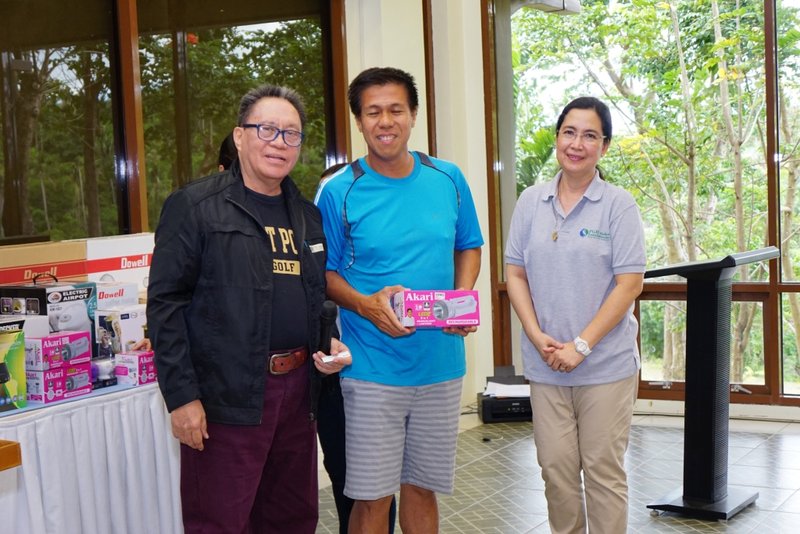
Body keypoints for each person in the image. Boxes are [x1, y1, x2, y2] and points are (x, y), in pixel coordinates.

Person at [146, 83, 352, 534]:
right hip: (226, 398)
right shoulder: (195, 207)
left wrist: (329, 342)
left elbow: (312, 297)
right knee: (221, 522)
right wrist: (182, 398)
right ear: (240, 137)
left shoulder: (307, 216)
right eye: (266, 129)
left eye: (291, 134)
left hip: (298, 397)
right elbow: (165, 306)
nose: (279, 142)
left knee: (292, 520)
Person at [315, 67, 484, 534]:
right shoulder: (338, 190)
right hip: (371, 367)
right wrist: (366, 305)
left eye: (396, 110)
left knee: (423, 489)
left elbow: (469, 245)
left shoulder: (448, 178)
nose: (385, 121)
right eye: (373, 112)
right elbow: (323, 274)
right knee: (372, 498)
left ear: (413, 115)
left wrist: (462, 296)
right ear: (359, 121)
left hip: (440, 363)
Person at [504, 96, 646, 534]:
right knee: (556, 472)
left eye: (589, 135)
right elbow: (515, 272)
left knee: (602, 470)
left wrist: (581, 346)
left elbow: (629, 285)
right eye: (569, 132)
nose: (577, 144)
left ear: (604, 146)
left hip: (605, 365)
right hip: (546, 363)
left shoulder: (618, 205)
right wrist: (535, 334)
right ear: (557, 138)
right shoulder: (531, 201)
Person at [315, 162, 397, 534]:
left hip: (373, 374)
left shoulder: (370, 259)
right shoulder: (316, 264)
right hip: (332, 384)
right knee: (346, 479)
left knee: (379, 489)